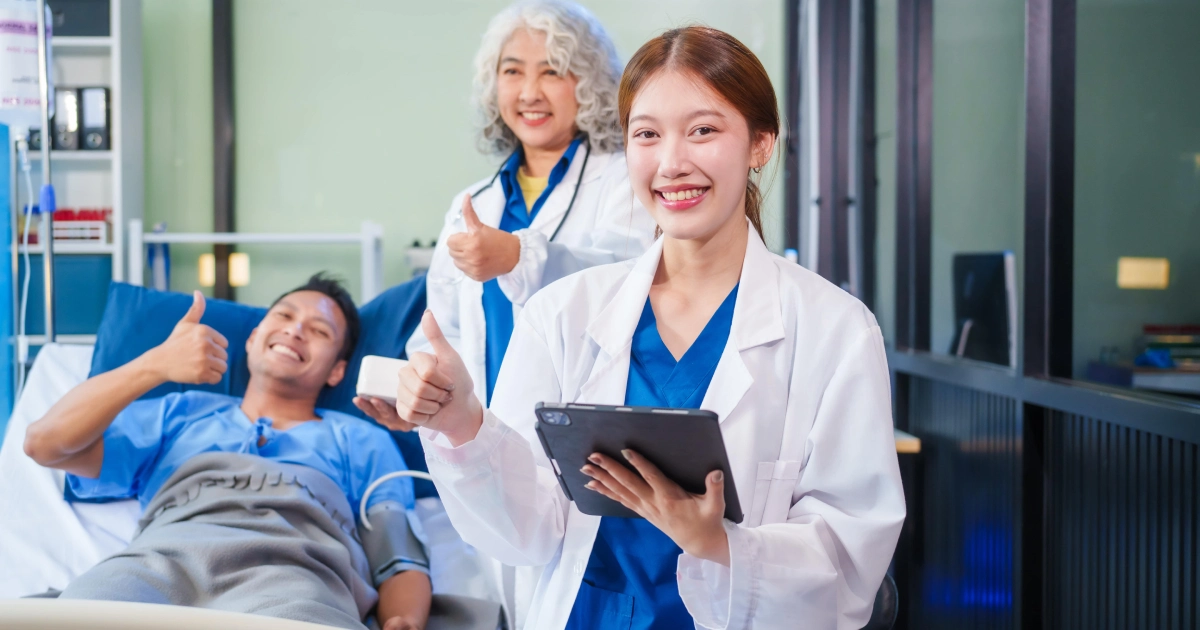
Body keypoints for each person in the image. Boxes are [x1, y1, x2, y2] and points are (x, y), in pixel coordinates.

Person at [384, 27, 906, 630]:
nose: (672, 163)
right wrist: (461, 422)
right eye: (647, 134)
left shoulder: (834, 329)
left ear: (761, 144)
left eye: (704, 130)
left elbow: (852, 556)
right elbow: (523, 534)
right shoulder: (563, 313)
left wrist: (721, 545)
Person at [24, 275, 431, 630]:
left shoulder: (362, 438)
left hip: (295, 574)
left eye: (320, 331)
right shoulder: (177, 413)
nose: (296, 331)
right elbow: (44, 443)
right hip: (155, 565)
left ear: (337, 371)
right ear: (253, 338)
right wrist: (154, 366)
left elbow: (398, 556)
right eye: (284, 317)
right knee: (80, 615)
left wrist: (405, 619)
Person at [356, 0, 654, 425]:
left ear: (590, 82)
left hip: (587, 433)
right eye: (512, 71)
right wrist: (420, 404)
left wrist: (519, 257)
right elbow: (442, 335)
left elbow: (626, 287)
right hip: (484, 442)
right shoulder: (473, 205)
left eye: (552, 70)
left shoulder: (626, 180)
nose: (529, 92)